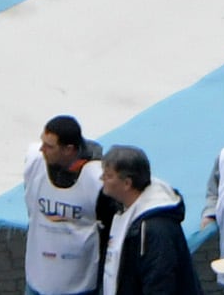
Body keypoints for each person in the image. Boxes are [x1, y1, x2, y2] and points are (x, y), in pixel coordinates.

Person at [22, 115, 103, 295]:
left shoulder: (97, 179)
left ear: (69, 150)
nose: (42, 149)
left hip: (79, 286)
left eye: (50, 146)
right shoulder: (35, 162)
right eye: (42, 142)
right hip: (36, 281)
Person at [97, 144, 192, 295]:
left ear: (127, 183)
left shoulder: (155, 228)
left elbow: (159, 282)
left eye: (108, 175)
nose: (101, 179)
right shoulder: (121, 210)